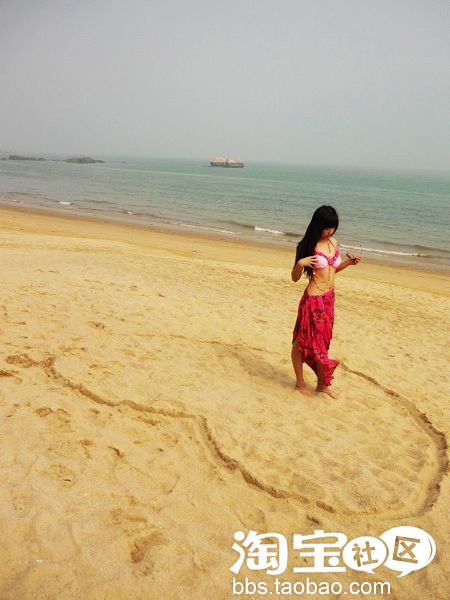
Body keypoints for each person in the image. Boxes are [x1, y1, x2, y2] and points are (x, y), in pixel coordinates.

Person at [291, 205, 361, 398]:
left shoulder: (333, 242)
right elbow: (294, 278)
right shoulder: (308, 246)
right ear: (318, 226)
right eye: (327, 228)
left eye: (333, 227)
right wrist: (300, 264)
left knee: (323, 342)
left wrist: (348, 263)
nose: (330, 231)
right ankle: (300, 382)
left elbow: (332, 270)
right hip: (313, 300)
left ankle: (322, 385)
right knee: (301, 341)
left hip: (329, 298)